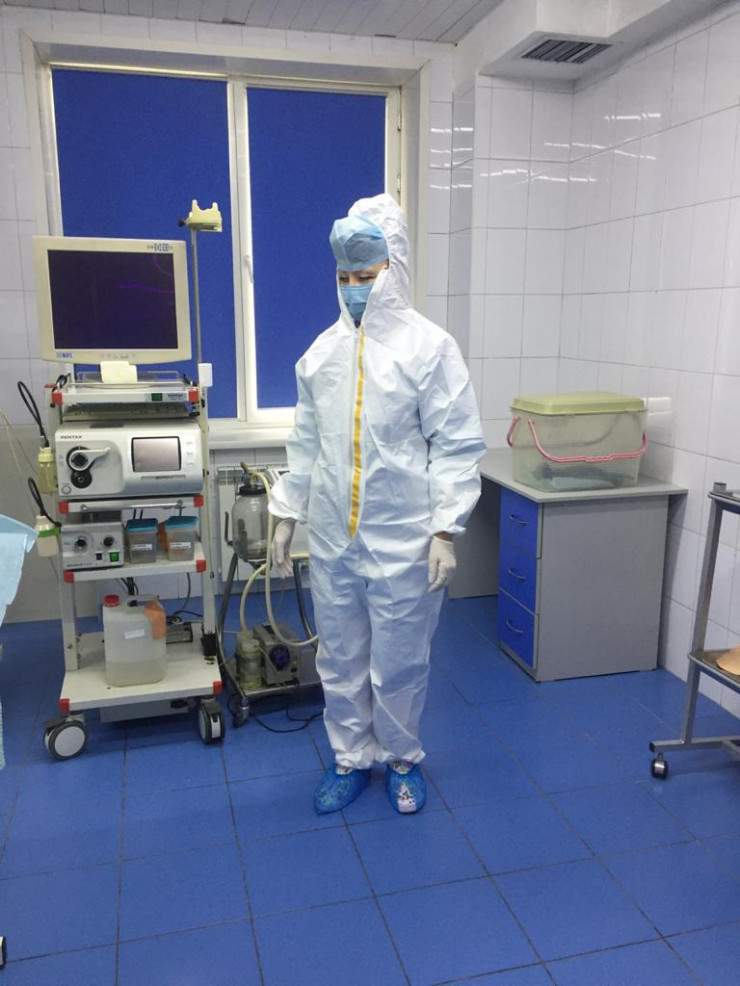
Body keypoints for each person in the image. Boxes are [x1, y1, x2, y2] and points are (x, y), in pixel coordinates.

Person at [268, 193, 485, 815]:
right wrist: (285, 516)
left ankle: (401, 758)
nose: (354, 289)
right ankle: (349, 759)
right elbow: (306, 443)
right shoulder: (321, 355)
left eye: (366, 276)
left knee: (400, 662)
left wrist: (445, 529)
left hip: (404, 539)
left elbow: (456, 443)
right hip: (334, 540)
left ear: (396, 269)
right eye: (345, 277)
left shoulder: (429, 348)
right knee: (339, 659)